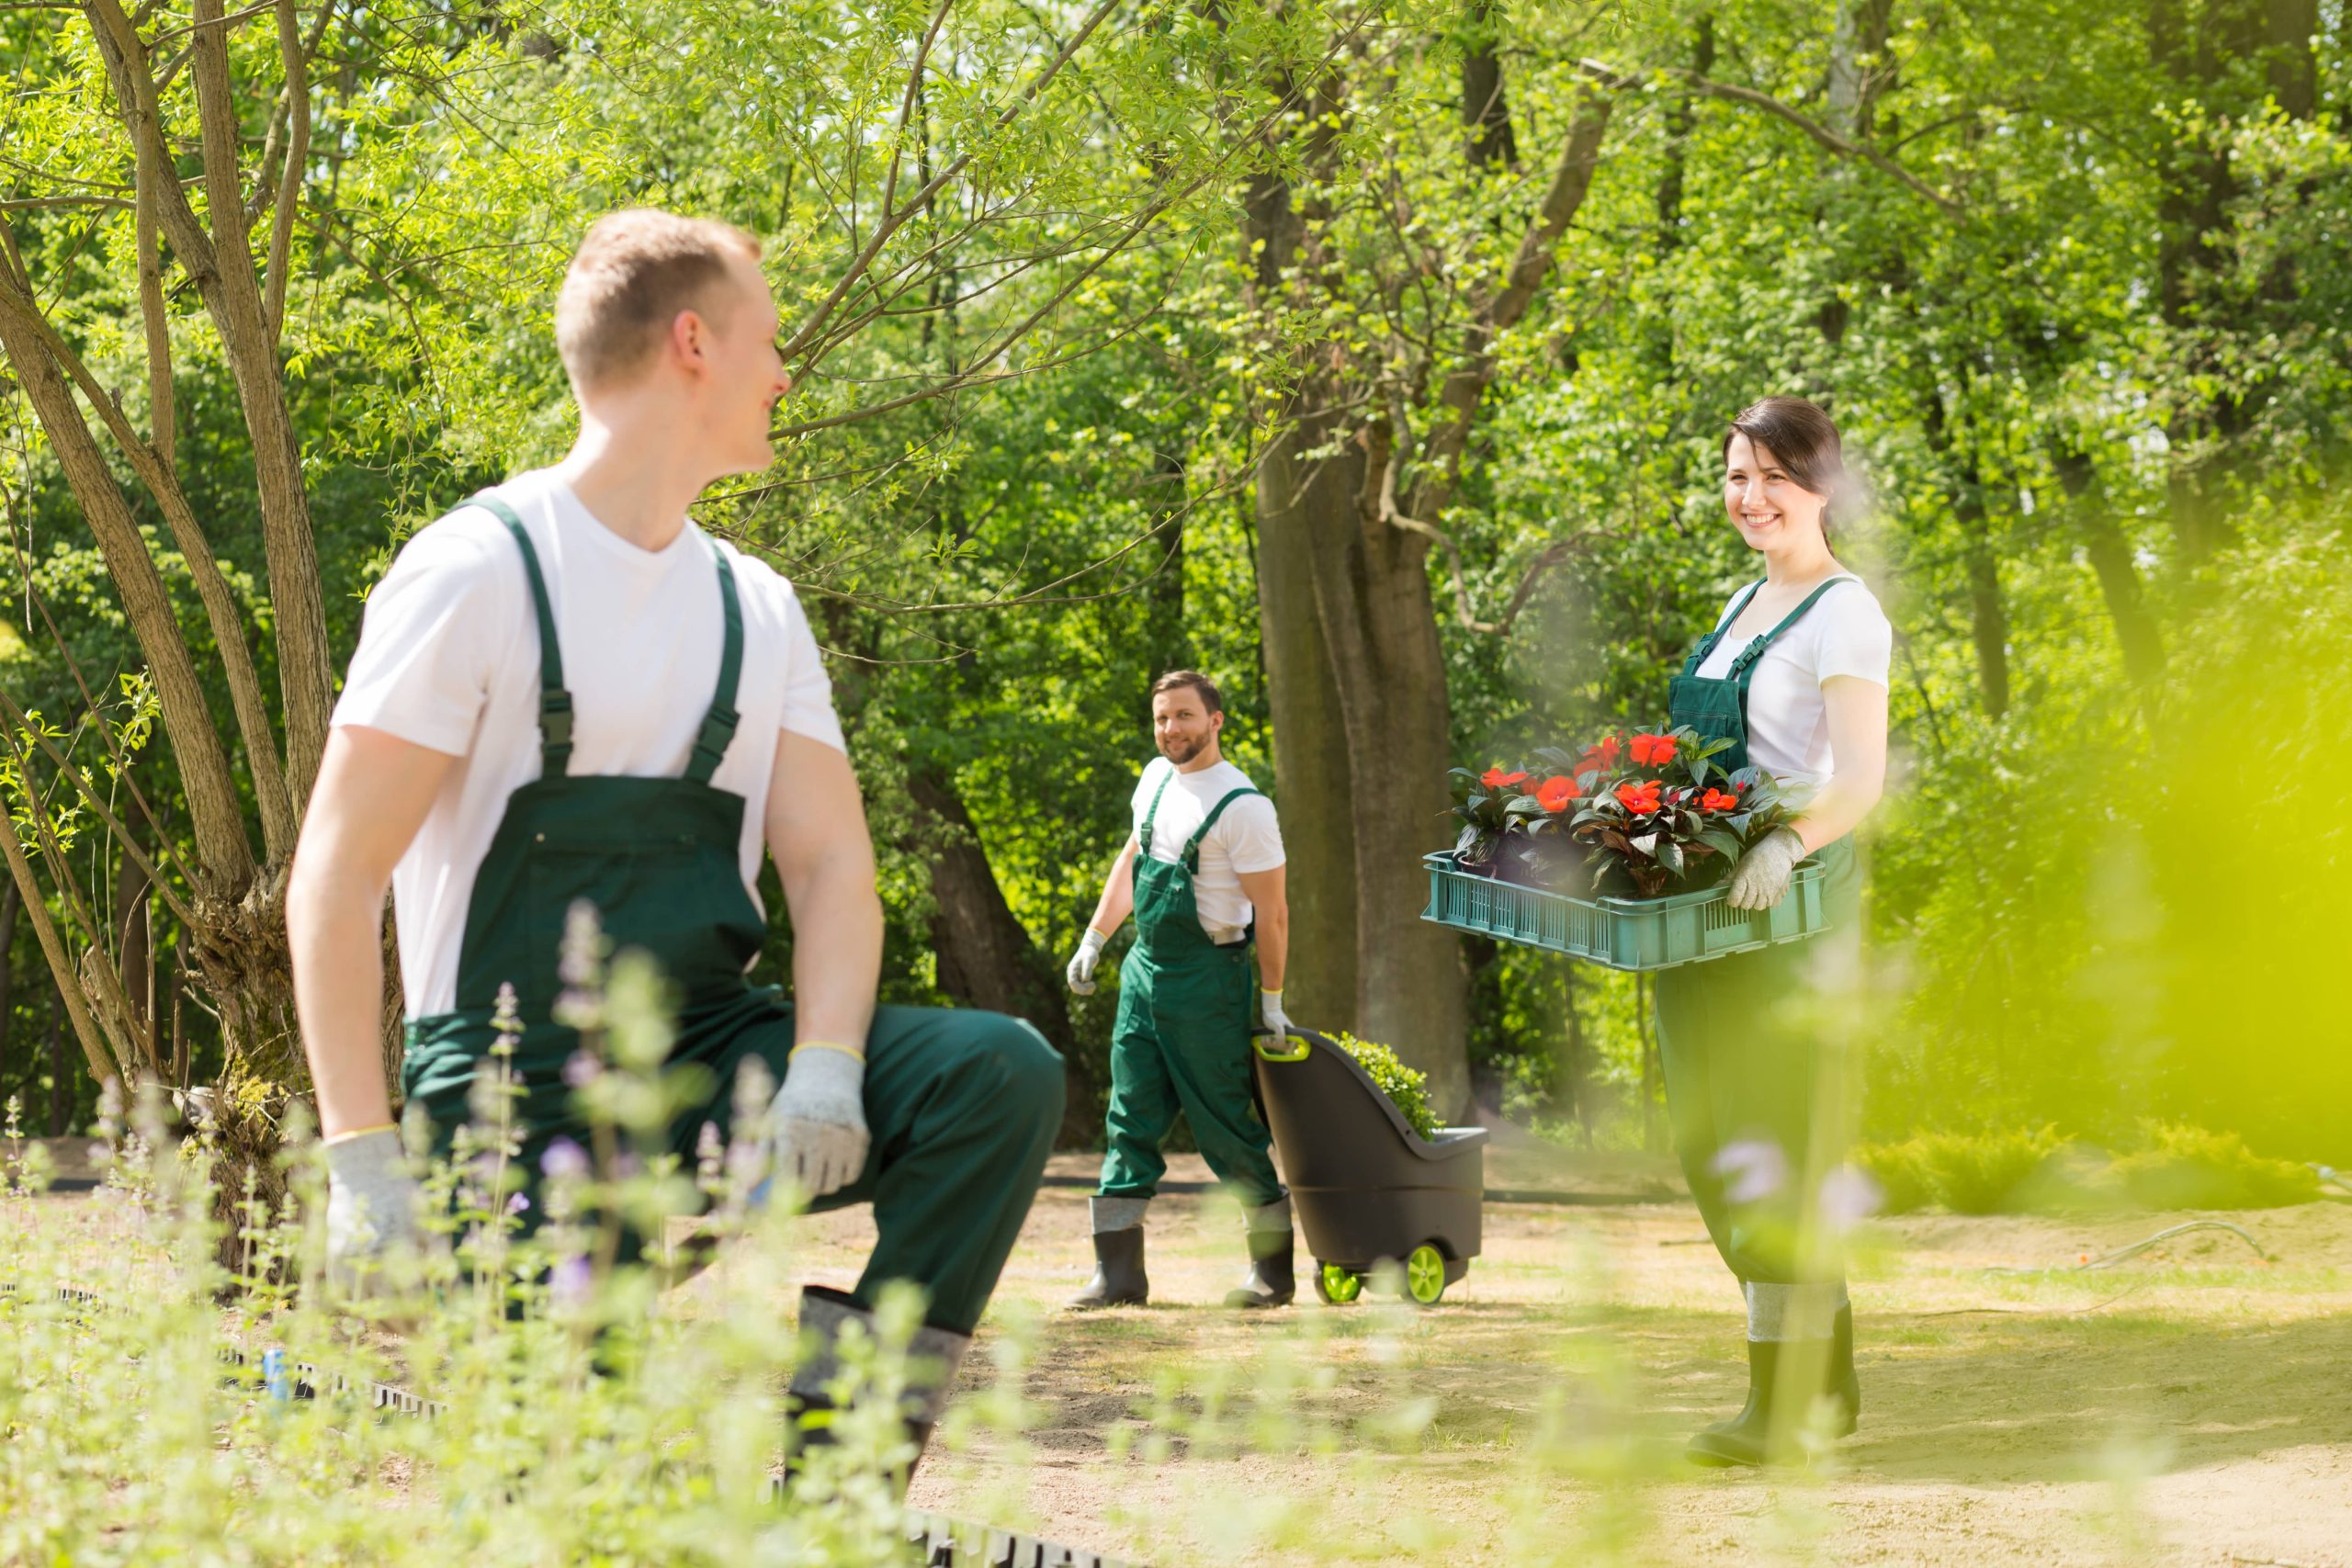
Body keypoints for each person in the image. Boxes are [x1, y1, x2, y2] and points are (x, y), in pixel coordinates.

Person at [284, 208, 1064, 1473]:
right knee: (566, 1486)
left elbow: (828, 865)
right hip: (506, 1096)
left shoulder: (756, 606)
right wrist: (361, 1161)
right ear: (692, 341)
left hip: (708, 1058)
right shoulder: (476, 570)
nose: (787, 370)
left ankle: (840, 1467)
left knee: (1000, 1071)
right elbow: (335, 874)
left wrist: (822, 1060)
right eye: (772, 337)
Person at [1657, 394, 1891, 1467]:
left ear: (1822, 486)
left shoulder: (1844, 614)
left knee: (1773, 1146)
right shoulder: (1742, 601)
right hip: (1708, 920)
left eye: (1773, 478)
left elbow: (1861, 779)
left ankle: (1789, 1403)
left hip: (1785, 921)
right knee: (1716, 1145)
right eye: (1735, 476)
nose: (1750, 498)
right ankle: (1817, 1392)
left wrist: (1784, 845)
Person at [1062, 671, 1295, 1309]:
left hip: (1210, 980)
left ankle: (1272, 1273)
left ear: (1216, 719)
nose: (1172, 729)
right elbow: (1133, 856)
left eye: (1185, 716)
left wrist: (1270, 1000)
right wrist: (1095, 938)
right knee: (1128, 1115)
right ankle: (1118, 1275)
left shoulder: (1244, 806)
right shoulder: (1154, 779)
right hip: (1144, 970)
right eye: (1163, 717)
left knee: (1224, 1123)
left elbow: (1272, 914)